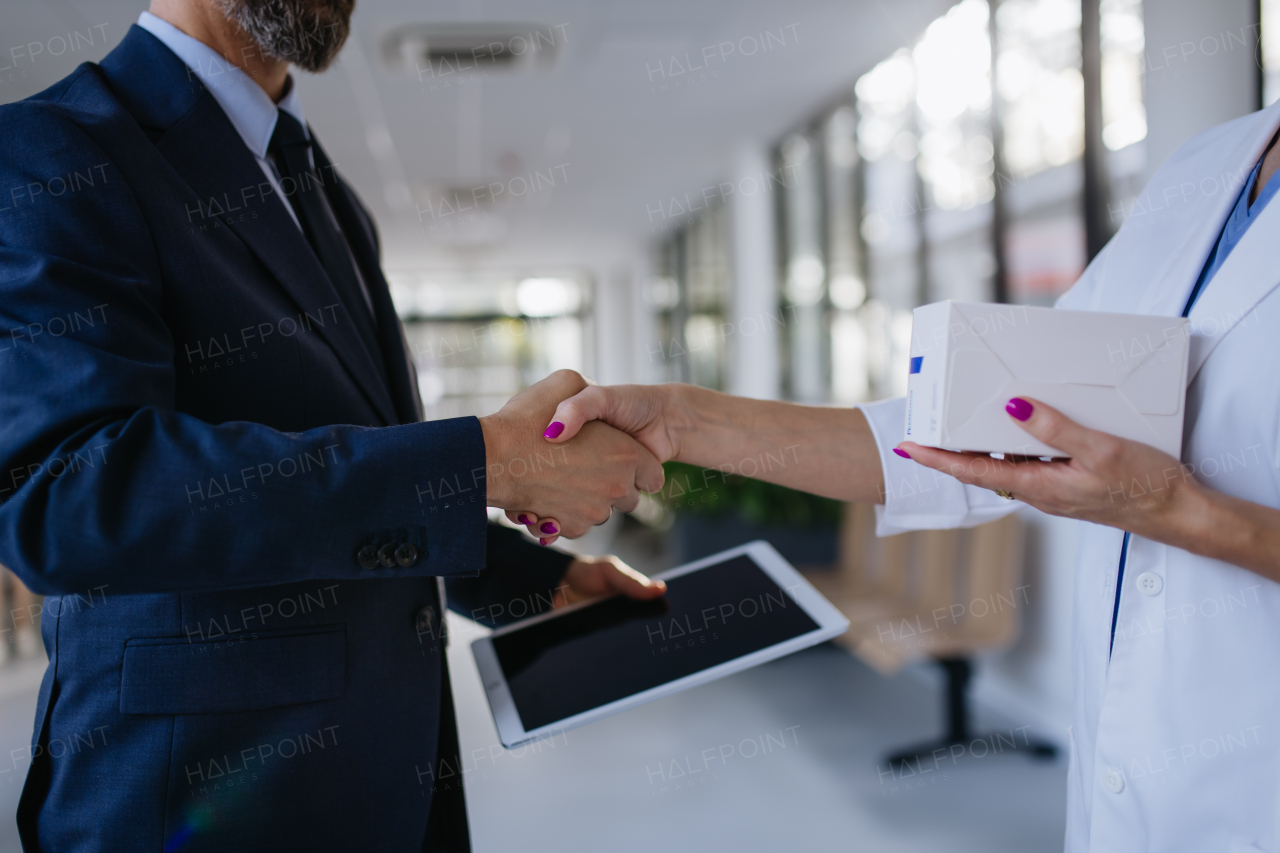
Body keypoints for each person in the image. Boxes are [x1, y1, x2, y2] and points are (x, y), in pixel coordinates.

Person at [0, 1, 666, 850]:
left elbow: (353, 463)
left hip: (386, 784)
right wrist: (484, 460)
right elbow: (70, 493)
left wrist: (527, 583)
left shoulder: (326, 190)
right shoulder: (51, 149)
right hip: (194, 799)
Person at [520, 107, 1280, 849]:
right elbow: (970, 442)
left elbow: (1137, 484)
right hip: (1125, 778)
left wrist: (1180, 511)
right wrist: (683, 420)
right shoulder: (1210, 163)